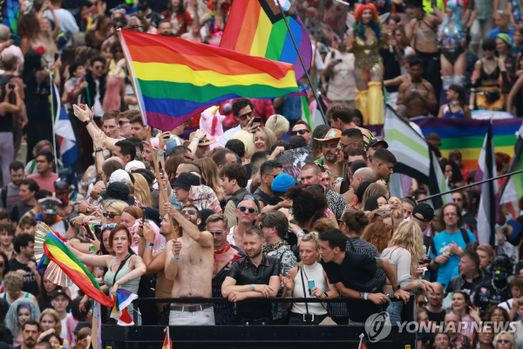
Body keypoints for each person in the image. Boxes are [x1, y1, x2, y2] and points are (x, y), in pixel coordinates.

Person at [67, 225, 146, 322]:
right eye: (116, 239)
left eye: (123, 238)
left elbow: (142, 269)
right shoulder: (108, 259)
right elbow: (81, 257)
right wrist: (62, 245)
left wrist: (119, 282)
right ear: (111, 243)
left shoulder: (134, 259)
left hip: (129, 316)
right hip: (113, 315)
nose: (119, 242)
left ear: (129, 242)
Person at [164, 204, 214, 325]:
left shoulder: (207, 237)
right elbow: (169, 276)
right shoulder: (172, 243)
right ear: (179, 223)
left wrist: (176, 213)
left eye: (191, 212)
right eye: (184, 212)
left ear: (199, 220)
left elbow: (197, 235)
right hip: (178, 311)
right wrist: (175, 255)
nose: (186, 214)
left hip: (204, 309)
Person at [221, 227, 280, 324]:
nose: (248, 247)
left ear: (262, 242)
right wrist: (255, 287)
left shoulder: (274, 262)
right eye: (245, 243)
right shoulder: (238, 264)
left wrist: (245, 295)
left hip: (266, 320)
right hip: (242, 320)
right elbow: (225, 290)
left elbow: (272, 292)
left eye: (252, 243)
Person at [281, 233, 338, 325]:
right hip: (297, 319)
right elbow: (284, 305)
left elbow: (335, 292)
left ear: (317, 252)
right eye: (301, 251)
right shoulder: (294, 271)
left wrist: (323, 295)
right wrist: (288, 290)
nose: (304, 254)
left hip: (320, 319)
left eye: (308, 251)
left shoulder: (325, 270)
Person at [351, 3, 384, 124]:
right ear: (360, 14)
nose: (368, 15)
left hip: (375, 61)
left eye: (370, 13)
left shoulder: (378, 29)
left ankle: (376, 124)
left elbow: (383, 45)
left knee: (375, 89)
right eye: (365, 13)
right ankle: (363, 123)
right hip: (359, 63)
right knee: (362, 94)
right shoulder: (354, 30)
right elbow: (348, 48)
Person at [430, 203, 476, 287]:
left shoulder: (467, 235)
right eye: (447, 214)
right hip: (442, 284)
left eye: (453, 214)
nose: (450, 216)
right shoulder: (436, 239)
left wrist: (460, 253)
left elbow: (476, 260)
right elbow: (432, 266)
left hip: (464, 283)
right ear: (443, 218)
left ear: (458, 217)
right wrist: (436, 260)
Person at [206, 214, 241, 325]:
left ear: (226, 230)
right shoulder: (198, 253)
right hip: (203, 308)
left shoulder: (238, 256)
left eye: (218, 233)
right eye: (211, 233)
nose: (215, 237)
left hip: (228, 309)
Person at [220, 163, 249, 228]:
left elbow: (230, 231)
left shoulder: (232, 204)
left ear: (233, 181)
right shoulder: (253, 198)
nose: (221, 184)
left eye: (223, 180)